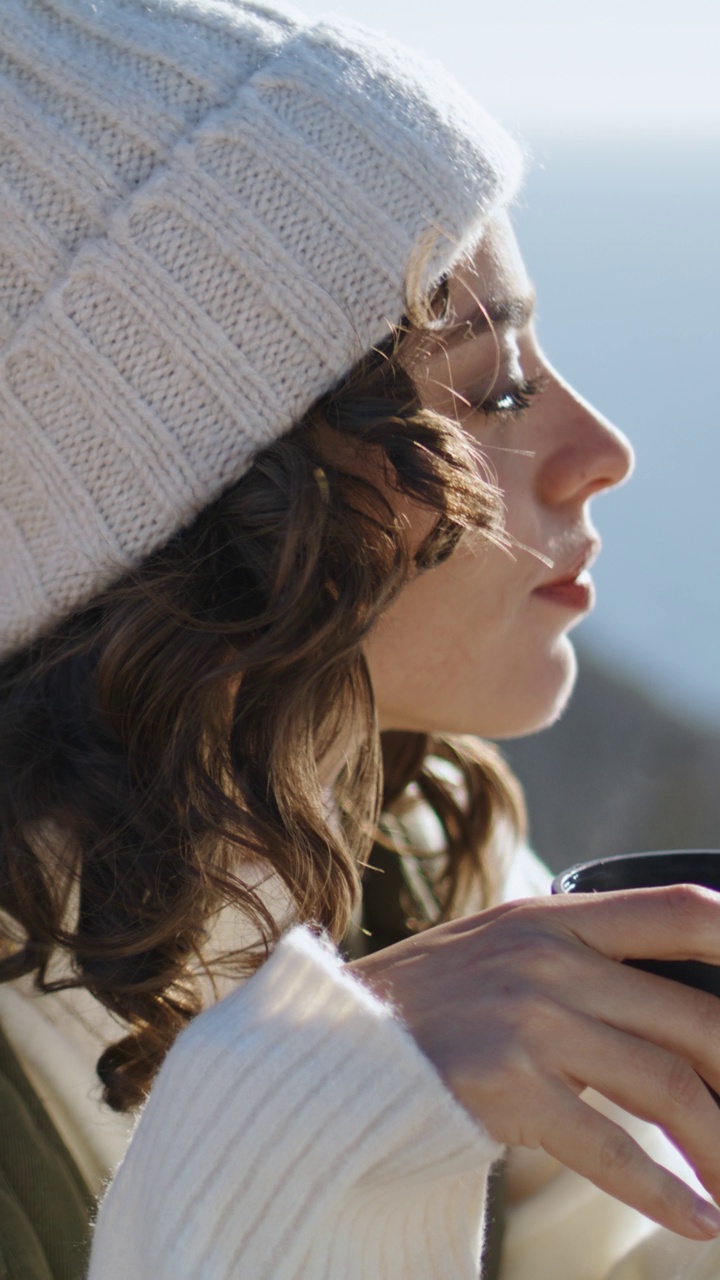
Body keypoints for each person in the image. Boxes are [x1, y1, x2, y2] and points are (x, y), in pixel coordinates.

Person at [2, 1, 720, 1278]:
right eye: (492, 388)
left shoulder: (411, 849)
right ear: (213, 512)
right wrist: (315, 1118)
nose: (603, 452)